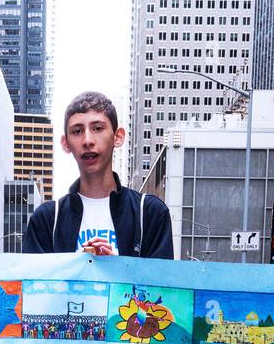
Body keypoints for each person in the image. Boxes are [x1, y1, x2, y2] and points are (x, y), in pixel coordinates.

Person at [23, 91, 173, 258]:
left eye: (97, 128)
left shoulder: (150, 213)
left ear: (118, 137)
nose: (88, 140)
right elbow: (34, 282)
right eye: (77, 131)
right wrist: (80, 267)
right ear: (65, 144)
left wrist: (116, 269)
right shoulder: (47, 219)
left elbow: (161, 283)